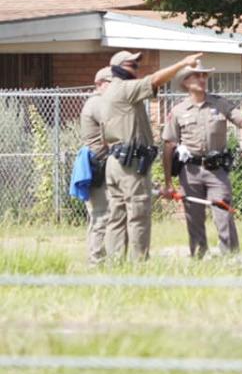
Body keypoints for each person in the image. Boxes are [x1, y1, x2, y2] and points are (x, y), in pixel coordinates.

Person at [101, 50, 203, 262]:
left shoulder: (110, 92)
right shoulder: (124, 88)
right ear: (120, 68)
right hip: (130, 164)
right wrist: (183, 63)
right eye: (133, 65)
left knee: (116, 217)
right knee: (138, 214)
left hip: (115, 161)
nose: (137, 69)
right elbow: (155, 79)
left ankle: (114, 264)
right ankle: (139, 265)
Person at [161, 62, 242, 258]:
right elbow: (168, 145)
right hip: (190, 171)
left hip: (216, 170)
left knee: (223, 210)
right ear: (186, 82)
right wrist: (168, 182)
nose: (203, 79)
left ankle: (230, 257)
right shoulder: (178, 111)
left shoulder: (220, 103)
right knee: (194, 217)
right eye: (197, 76)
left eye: (204, 76)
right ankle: (198, 256)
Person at [78, 66, 113, 264]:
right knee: (101, 213)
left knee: (103, 213)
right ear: (100, 84)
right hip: (98, 165)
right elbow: (113, 130)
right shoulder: (98, 103)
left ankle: (101, 255)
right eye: (111, 83)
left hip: (102, 164)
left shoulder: (101, 102)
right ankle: (97, 259)